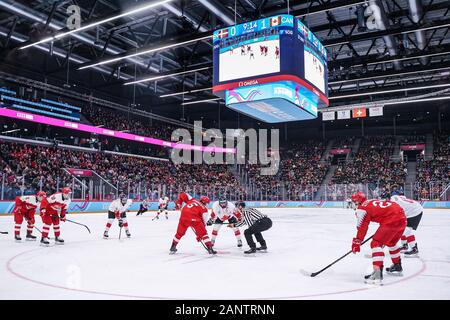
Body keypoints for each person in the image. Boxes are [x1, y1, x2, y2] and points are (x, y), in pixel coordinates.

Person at [350, 192, 407, 284]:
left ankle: (377, 274)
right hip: (402, 219)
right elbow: (382, 212)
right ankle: (397, 266)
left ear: (358, 201)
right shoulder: (370, 201)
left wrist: (357, 241)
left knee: (376, 243)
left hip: (391, 220)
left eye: (354, 201)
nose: (353, 203)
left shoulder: (362, 208)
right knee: (391, 243)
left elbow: (362, 227)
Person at [389, 190, 423, 257]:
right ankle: (404, 246)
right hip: (412, 209)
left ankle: (414, 250)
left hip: (414, 212)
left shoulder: (393, 203)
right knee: (402, 227)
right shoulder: (396, 197)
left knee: (407, 230)